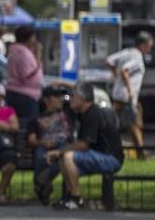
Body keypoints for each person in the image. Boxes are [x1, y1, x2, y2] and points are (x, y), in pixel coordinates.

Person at [45, 83, 124, 211]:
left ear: (82, 98)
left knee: (68, 156)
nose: (70, 99)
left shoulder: (93, 113)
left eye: (73, 96)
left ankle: (76, 198)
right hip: (97, 155)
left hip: (110, 158)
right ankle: (69, 198)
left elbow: (83, 144)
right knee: (64, 158)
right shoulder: (83, 114)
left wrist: (59, 151)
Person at [106, 31, 154, 159]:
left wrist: (116, 77)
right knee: (136, 125)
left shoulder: (126, 52)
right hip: (128, 97)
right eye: (149, 45)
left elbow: (109, 61)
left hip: (118, 95)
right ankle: (142, 154)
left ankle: (109, 149)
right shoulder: (137, 56)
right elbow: (125, 70)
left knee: (113, 124)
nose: (150, 48)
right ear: (142, 45)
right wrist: (129, 90)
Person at [28, 86, 75, 206]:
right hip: (44, 145)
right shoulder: (37, 119)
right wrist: (43, 143)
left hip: (63, 145)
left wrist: (60, 82)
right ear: (46, 100)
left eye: (61, 96)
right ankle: (43, 192)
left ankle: (44, 181)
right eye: (56, 97)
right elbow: (32, 140)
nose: (60, 99)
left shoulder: (67, 114)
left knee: (64, 157)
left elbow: (75, 91)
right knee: (40, 155)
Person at [6, 26, 43, 121]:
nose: (34, 40)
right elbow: (26, 75)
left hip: (18, 93)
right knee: (28, 125)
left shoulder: (15, 50)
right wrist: (38, 57)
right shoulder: (22, 52)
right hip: (25, 95)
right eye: (32, 37)